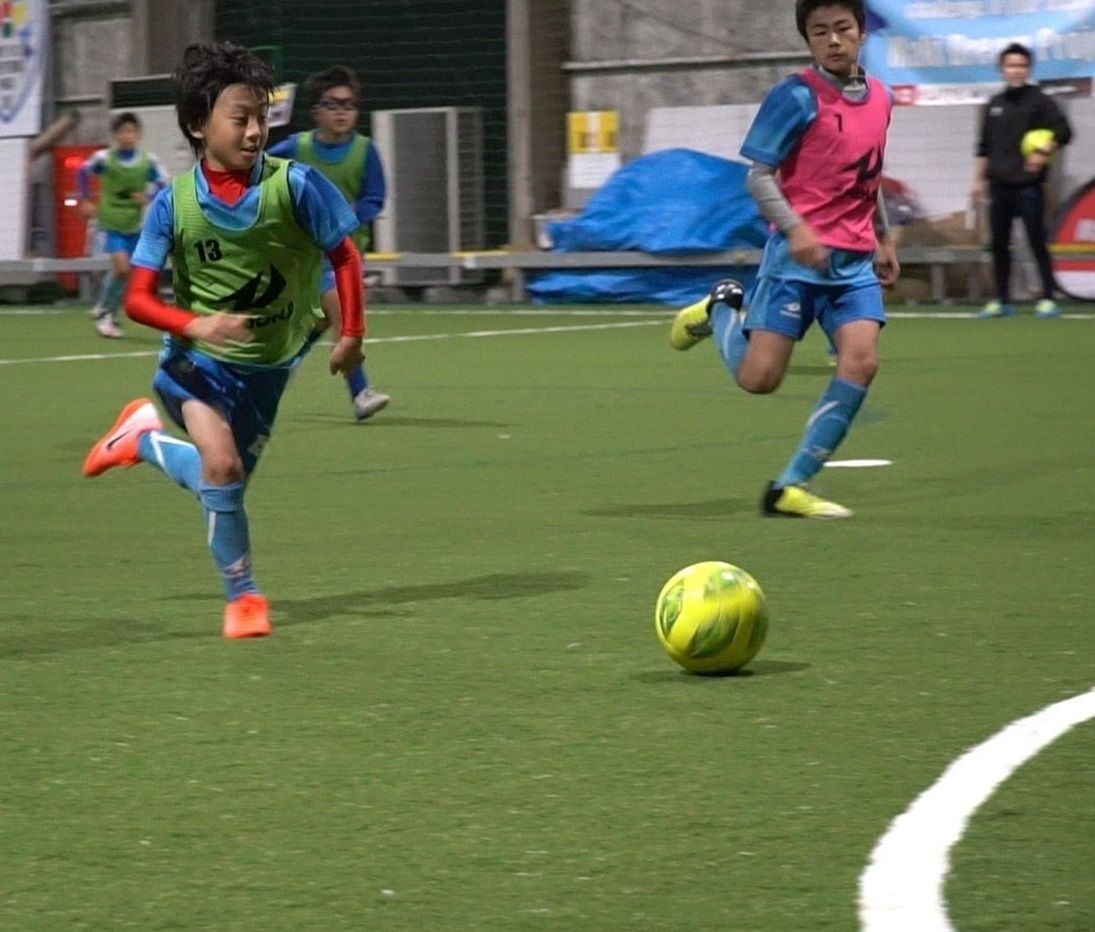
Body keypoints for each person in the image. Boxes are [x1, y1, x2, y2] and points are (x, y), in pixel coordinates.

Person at [82, 42, 365, 639]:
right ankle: (244, 598)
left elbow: (344, 254)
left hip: (268, 366)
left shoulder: (297, 187)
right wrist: (195, 325)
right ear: (197, 125)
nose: (256, 131)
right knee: (222, 463)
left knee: (223, 482)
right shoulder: (174, 206)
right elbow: (137, 300)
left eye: (261, 117)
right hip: (195, 363)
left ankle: (142, 441)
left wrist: (352, 336)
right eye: (240, 118)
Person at [669, 0, 897, 519]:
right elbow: (758, 176)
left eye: (843, 29)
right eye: (820, 32)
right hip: (796, 262)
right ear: (809, 41)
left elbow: (869, 173)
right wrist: (796, 230)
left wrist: (883, 237)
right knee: (760, 379)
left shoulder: (881, 98)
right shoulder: (795, 96)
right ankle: (721, 307)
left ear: (861, 32)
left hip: (854, 263)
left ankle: (790, 486)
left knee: (862, 360)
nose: (833, 40)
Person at [268, 65, 390, 421]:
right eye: (333, 104)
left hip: (349, 254)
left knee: (320, 321)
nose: (342, 112)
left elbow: (375, 198)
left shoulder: (366, 151)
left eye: (349, 105)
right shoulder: (296, 147)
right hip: (311, 254)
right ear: (316, 111)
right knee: (343, 317)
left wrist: (352, 212)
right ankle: (360, 392)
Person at [971, 42, 1072, 319]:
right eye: (1011, 65)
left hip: (1029, 186)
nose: (1016, 70)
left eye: (1021, 65)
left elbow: (1064, 131)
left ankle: (1048, 299)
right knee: (1000, 244)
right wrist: (978, 181)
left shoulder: (1040, 101)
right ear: (1002, 70)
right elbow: (984, 148)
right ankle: (1001, 300)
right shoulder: (995, 105)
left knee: (1036, 241)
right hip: (999, 186)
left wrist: (1043, 152)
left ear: (1028, 69)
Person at [78, 112, 169, 338]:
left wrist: (149, 196)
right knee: (121, 268)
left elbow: (163, 184)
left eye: (131, 131)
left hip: (134, 223)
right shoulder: (104, 159)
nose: (127, 136)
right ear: (115, 135)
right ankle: (108, 316)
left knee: (125, 272)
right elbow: (82, 171)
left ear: (139, 134)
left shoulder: (148, 161)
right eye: (122, 132)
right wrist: (86, 198)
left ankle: (102, 303)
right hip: (109, 221)